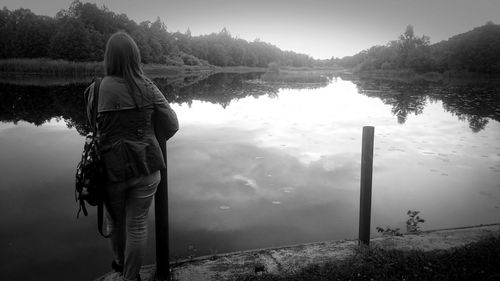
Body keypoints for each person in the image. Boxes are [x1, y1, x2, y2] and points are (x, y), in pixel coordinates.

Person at [85, 31, 179, 281]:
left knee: (115, 223)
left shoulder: (96, 88)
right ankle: (130, 277)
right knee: (137, 225)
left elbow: (93, 128)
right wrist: (149, 139)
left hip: (112, 172)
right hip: (147, 168)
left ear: (109, 58)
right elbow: (172, 123)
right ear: (135, 57)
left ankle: (119, 264)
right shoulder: (148, 86)